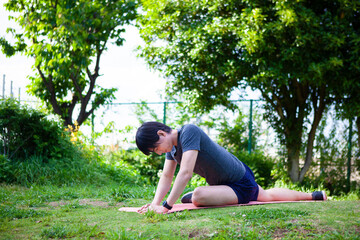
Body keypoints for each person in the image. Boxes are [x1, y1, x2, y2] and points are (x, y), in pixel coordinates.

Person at [135, 122, 327, 214]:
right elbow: (167, 175)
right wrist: (155, 204)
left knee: (199, 196)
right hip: (228, 184)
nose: (159, 153)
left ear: (162, 133)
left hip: (239, 182)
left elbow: (185, 172)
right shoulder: (173, 147)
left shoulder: (188, 132)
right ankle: (313, 196)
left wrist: (166, 207)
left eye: (156, 148)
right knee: (266, 195)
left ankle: (193, 195)